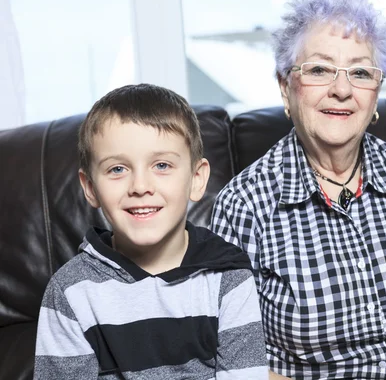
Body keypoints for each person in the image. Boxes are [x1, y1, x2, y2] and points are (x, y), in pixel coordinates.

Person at [210, 0, 386, 378]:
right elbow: (233, 360)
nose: (341, 89)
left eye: (359, 72)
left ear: (376, 92)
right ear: (286, 87)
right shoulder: (245, 206)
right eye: (319, 69)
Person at [34, 84, 268, 379]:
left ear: (197, 179)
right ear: (91, 188)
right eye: (117, 169)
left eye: (161, 165)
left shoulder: (228, 277)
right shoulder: (69, 292)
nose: (140, 186)